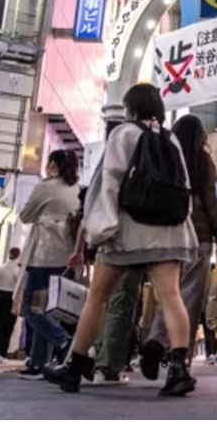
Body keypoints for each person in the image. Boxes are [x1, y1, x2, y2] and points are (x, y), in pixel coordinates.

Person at [42, 83, 199, 397]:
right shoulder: (170, 139)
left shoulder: (124, 133)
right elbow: (183, 187)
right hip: (168, 228)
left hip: (127, 230)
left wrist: (100, 228)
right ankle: (180, 369)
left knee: (98, 297)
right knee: (170, 296)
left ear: (131, 108)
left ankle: (74, 366)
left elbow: (107, 182)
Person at [141, 114, 217, 377]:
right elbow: (212, 203)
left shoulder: (165, 155)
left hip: (168, 234)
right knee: (188, 300)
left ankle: (155, 341)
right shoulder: (203, 160)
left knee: (169, 294)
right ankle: (180, 365)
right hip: (198, 237)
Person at [16, 150, 80, 380]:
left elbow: (25, 216)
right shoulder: (78, 189)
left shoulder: (46, 187)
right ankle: (38, 363)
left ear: (52, 164)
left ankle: (64, 342)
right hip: (67, 259)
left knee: (31, 310)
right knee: (49, 311)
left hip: (44, 257)